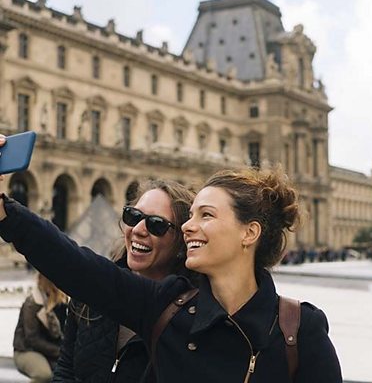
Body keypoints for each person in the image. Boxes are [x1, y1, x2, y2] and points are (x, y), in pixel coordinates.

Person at [0, 162, 342, 382]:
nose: (188, 227)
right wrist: (5, 211)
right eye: (190, 216)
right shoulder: (166, 306)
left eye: (206, 215)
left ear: (249, 233)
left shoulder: (299, 330)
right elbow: (76, 266)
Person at [52, 179, 195, 382]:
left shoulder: (191, 315)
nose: (138, 229)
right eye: (133, 216)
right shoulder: (94, 286)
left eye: (156, 224)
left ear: (182, 242)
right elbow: (66, 368)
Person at [13, 272, 68, 383]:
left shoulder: (63, 302)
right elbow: (32, 339)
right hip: (27, 350)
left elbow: (66, 332)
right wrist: (59, 352)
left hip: (53, 351)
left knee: (68, 373)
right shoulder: (32, 303)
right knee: (44, 375)